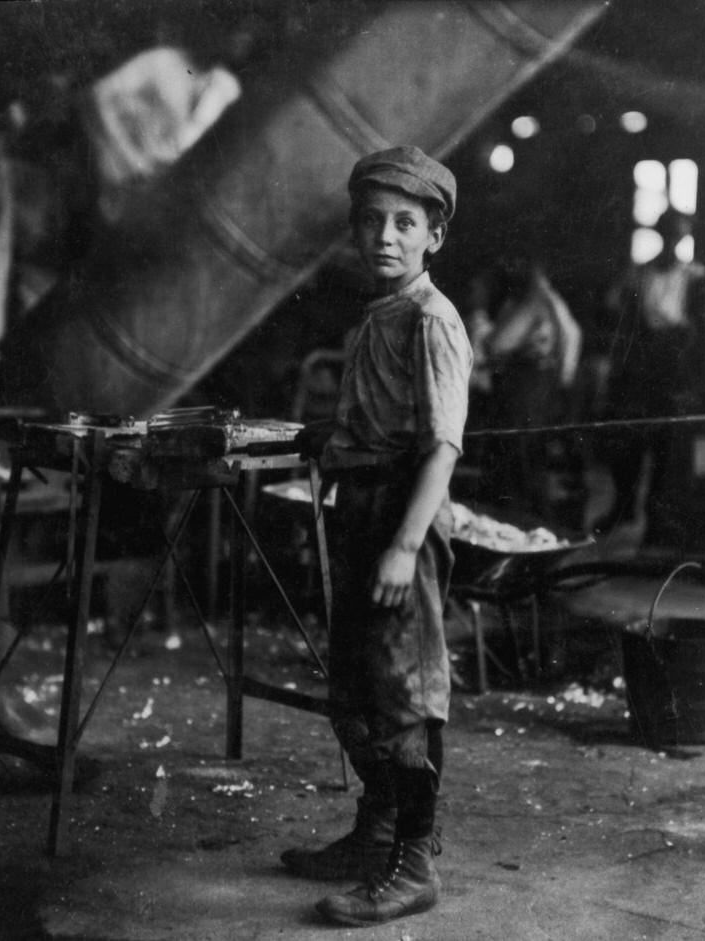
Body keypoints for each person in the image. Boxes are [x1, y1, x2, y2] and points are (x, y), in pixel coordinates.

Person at [281, 145, 471, 927]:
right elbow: (379, 419)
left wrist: (403, 543)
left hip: (403, 518)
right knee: (356, 687)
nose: (385, 236)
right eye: (371, 221)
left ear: (434, 236)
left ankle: (414, 863)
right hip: (357, 509)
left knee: (404, 694)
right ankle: (376, 834)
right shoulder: (375, 318)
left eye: (405, 222)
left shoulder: (431, 319)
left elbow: (441, 445)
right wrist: (329, 434)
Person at [596, 209, 705, 546]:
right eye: (668, 233)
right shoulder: (641, 275)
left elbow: (701, 333)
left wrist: (691, 379)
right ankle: (623, 506)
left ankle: (659, 526)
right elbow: (625, 323)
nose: (674, 241)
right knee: (628, 440)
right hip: (642, 368)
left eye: (680, 235)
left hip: (675, 368)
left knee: (668, 450)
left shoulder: (695, 278)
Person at [483, 256, 582, 518]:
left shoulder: (535, 301)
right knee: (527, 459)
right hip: (542, 386)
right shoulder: (552, 301)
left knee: (519, 458)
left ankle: (519, 520)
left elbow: (497, 343)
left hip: (528, 386)